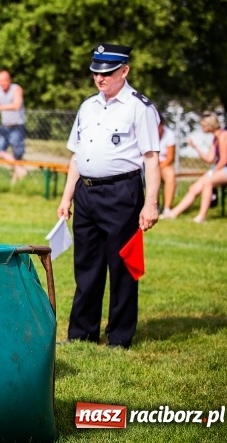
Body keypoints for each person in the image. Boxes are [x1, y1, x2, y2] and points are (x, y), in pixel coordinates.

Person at [56, 43, 160, 350]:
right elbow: (76, 155)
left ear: (124, 71)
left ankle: (119, 338)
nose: (101, 79)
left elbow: (152, 158)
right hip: (85, 193)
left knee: (122, 267)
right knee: (86, 266)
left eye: (108, 73)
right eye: (96, 73)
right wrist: (67, 197)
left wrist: (151, 203)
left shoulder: (139, 107)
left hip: (121, 194)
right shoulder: (88, 106)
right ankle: (81, 334)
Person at [161, 112, 227, 222]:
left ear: (210, 125)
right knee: (194, 188)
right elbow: (209, 159)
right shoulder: (215, 139)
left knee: (208, 183)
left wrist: (212, 173)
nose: (202, 128)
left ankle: (201, 216)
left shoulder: (223, 136)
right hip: (220, 169)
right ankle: (173, 213)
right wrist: (195, 147)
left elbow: (224, 160)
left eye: (203, 125)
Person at [0, 69, 28, 183]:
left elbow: (16, 105)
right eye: (0, 81)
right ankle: (20, 170)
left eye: (4, 80)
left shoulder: (16, 89)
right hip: (5, 126)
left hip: (17, 126)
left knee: (17, 154)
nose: (2, 83)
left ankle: (15, 181)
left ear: (10, 80)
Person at [158, 115, 177, 216]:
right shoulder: (146, 133)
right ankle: (153, 205)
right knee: (152, 175)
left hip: (163, 164)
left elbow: (170, 158)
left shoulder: (169, 135)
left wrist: (159, 167)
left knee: (170, 175)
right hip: (149, 164)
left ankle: (167, 208)